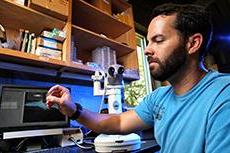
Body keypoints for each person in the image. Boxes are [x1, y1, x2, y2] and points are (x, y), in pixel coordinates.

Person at [46, 3, 230, 153]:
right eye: (148, 41)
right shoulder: (159, 98)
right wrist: (73, 110)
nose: (147, 50)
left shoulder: (223, 96)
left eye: (158, 40)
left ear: (192, 43)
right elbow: (117, 123)